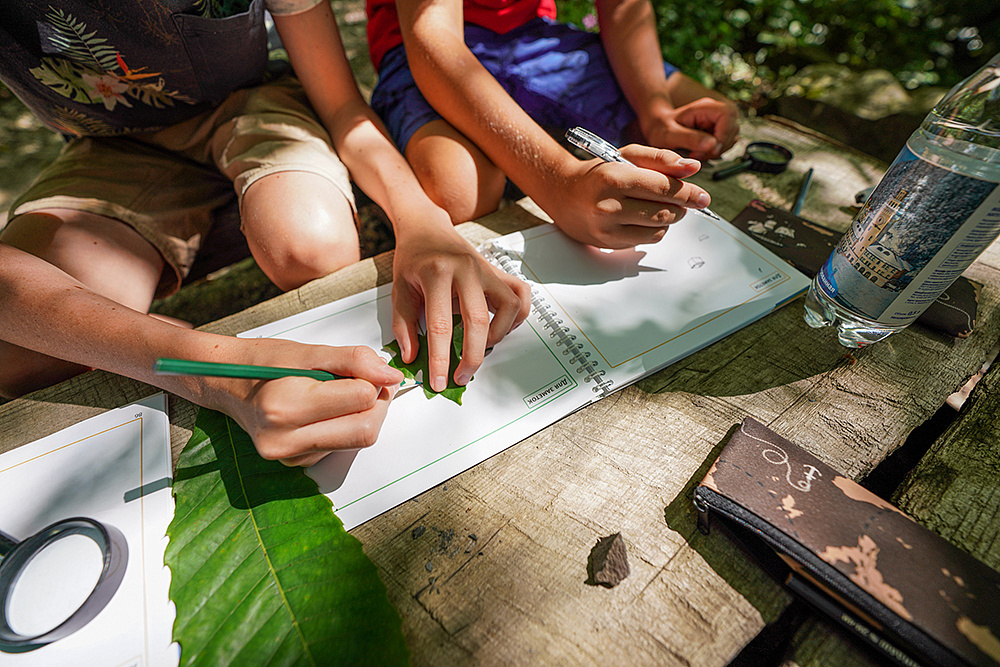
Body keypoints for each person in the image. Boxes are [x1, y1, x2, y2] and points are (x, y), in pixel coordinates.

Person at [0, 0, 530, 466]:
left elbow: (342, 105)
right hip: (114, 146)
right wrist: (217, 370)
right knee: (19, 357)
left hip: (258, 103)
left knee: (312, 247)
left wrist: (422, 220)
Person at [366, 0, 741, 248]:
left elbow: (624, 9)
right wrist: (557, 181)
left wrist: (656, 112)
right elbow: (432, 37)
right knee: (461, 191)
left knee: (707, 120)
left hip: (532, 37)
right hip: (421, 47)